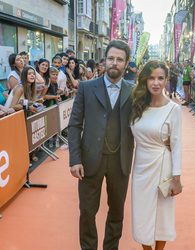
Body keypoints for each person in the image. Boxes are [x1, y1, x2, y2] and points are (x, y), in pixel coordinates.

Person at [68, 39, 134, 250]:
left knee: (116, 212)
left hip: (120, 160)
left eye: (119, 59)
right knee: (87, 212)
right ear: (104, 60)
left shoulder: (134, 91)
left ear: (126, 63)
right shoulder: (86, 88)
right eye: (111, 58)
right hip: (89, 160)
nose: (114, 63)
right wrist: (75, 159)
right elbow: (75, 125)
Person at [130, 60, 182, 250]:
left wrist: (177, 178)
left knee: (162, 215)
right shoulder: (137, 105)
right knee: (141, 213)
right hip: (140, 168)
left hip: (163, 166)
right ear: (144, 80)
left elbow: (177, 146)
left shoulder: (174, 109)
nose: (155, 83)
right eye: (151, 78)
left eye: (160, 78)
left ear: (166, 80)